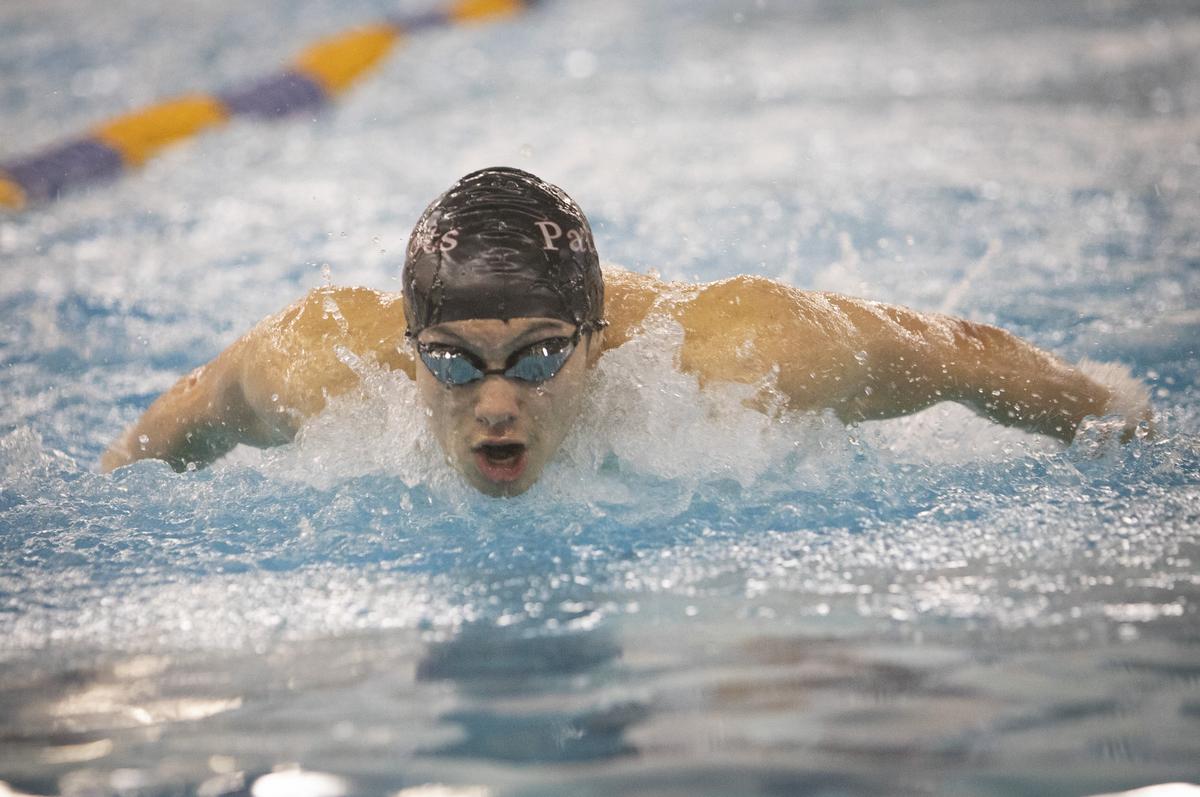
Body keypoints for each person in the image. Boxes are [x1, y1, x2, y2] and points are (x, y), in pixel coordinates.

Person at [100, 167, 1151, 495]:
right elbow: (162, 434)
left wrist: (1127, 422)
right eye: (455, 362)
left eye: (540, 355)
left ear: (598, 339)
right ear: (410, 350)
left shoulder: (748, 355)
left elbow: (965, 357)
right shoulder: (315, 363)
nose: (497, 400)